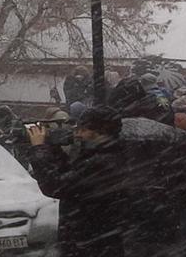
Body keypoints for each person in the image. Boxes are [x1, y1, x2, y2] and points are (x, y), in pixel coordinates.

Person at [29, 105, 131, 257]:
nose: (78, 135)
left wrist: (39, 149)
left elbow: (56, 186)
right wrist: (54, 148)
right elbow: (68, 175)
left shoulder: (101, 162)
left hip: (90, 242)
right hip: (94, 239)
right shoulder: (104, 154)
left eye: (83, 130)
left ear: (99, 132)